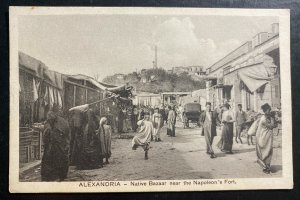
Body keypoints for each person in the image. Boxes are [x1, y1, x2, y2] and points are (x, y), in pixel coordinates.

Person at [41, 111, 70, 181]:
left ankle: (54, 175)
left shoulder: (54, 124)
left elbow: (46, 137)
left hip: (58, 144)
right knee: (60, 158)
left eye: (49, 119)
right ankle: (60, 174)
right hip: (61, 144)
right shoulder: (62, 121)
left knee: (53, 158)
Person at [256, 103, 277, 174]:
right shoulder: (263, 119)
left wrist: (273, 118)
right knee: (265, 151)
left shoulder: (268, 117)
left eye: (270, 110)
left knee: (269, 151)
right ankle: (265, 167)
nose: (269, 111)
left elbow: (275, 125)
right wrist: (273, 118)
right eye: (268, 110)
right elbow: (271, 126)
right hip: (263, 137)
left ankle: (267, 167)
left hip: (268, 137)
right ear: (265, 111)